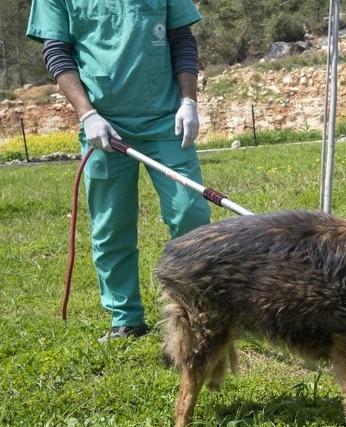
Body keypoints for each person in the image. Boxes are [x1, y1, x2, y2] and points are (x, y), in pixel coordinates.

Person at [27, 0, 212, 342]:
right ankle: (125, 317)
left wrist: (189, 101)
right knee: (111, 226)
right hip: (104, 126)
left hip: (165, 120)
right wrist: (87, 114)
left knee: (191, 213)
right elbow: (57, 52)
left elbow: (182, 40)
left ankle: (200, 309)